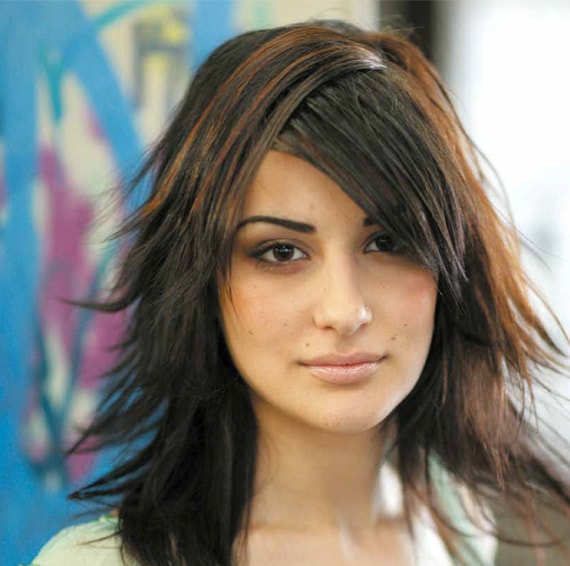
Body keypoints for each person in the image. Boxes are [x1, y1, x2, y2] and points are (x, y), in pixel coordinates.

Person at [28, 19, 570, 566]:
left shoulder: (456, 519)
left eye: (387, 242)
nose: (346, 310)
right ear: (202, 280)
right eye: (281, 252)